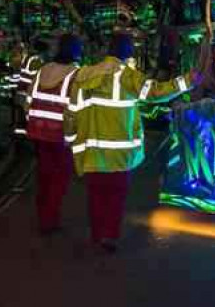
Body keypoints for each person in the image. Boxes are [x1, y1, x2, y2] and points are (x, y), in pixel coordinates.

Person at [63, 33, 199, 253]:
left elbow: (71, 112)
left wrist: (69, 140)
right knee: (115, 198)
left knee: (96, 197)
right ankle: (109, 236)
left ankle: (97, 234)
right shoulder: (128, 77)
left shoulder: (83, 75)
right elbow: (156, 92)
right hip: (119, 155)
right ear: (128, 53)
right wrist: (188, 81)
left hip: (92, 153)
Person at [25, 34, 82, 235]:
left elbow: (28, 99)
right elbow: (76, 107)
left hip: (38, 131)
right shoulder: (75, 74)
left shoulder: (43, 70)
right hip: (60, 135)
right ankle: (49, 219)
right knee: (60, 179)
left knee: (44, 175)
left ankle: (43, 215)